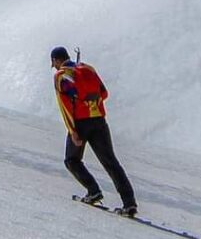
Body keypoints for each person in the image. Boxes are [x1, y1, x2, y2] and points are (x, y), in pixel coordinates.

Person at [51, 46, 137, 216]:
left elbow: (65, 106)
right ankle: (129, 203)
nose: (53, 66)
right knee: (111, 162)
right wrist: (92, 105)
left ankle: (93, 191)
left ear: (56, 60)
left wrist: (72, 130)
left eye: (53, 62)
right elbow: (104, 93)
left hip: (81, 123)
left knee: (71, 160)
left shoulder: (61, 76)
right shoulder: (88, 68)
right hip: (99, 121)